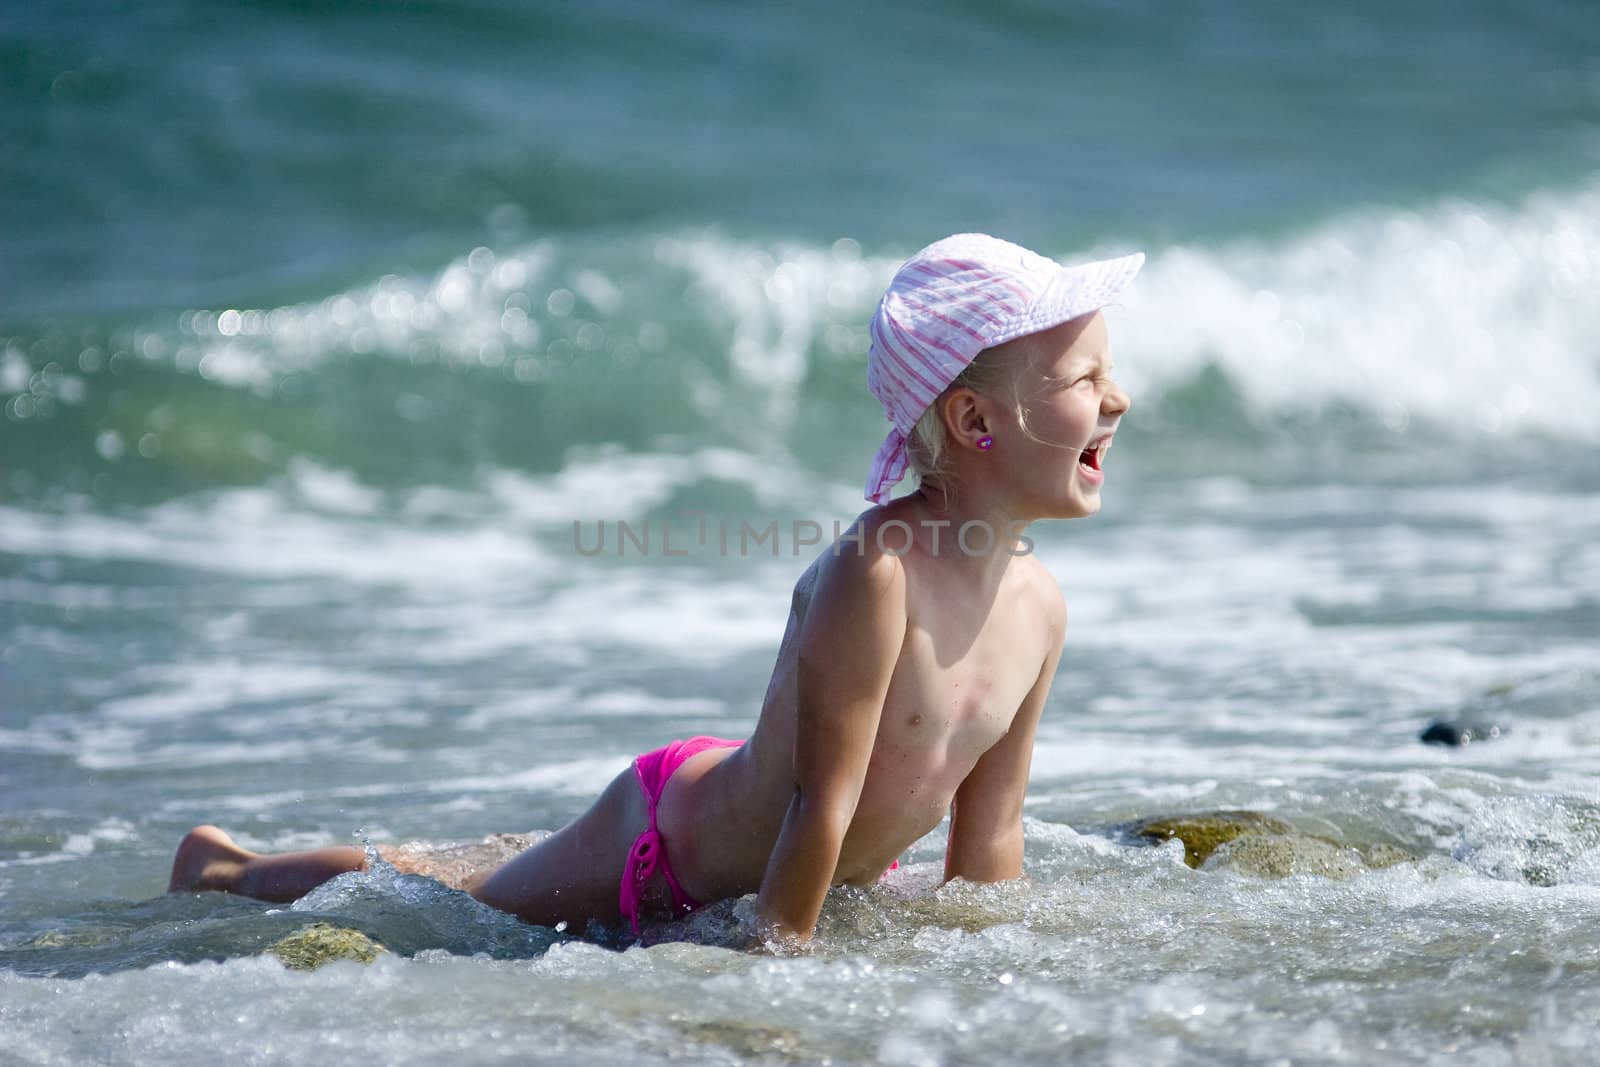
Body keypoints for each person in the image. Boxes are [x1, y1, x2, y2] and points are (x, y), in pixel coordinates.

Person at [168, 233, 1141, 949]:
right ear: (973, 417)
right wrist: (779, 976)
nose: (1118, 397)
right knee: (455, 898)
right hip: (667, 844)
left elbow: (991, 832)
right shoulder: (876, 573)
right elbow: (817, 804)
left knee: (469, 865)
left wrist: (997, 972)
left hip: (789, 837)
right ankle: (228, 867)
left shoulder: (1039, 607)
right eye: (1084, 375)